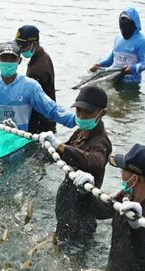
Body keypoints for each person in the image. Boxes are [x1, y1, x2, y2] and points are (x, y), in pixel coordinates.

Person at [38, 85, 112, 247]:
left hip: (81, 219)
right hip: (66, 211)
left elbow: (94, 161)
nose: (82, 116)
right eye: (79, 111)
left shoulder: (101, 142)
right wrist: (45, 147)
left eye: (88, 112)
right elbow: (61, 154)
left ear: (102, 114)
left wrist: (60, 146)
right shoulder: (80, 133)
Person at [89, 8, 145, 86]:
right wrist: (99, 65)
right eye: (122, 20)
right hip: (112, 77)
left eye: (126, 21)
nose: (123, 23)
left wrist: (132, 68)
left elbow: (144, 64)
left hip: (130, 82)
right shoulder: (118, 38)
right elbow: (111, 59)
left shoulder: (143, 42)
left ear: (134, 23)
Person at [15, 25, 57, 134]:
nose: (20, 51)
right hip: (47, 118)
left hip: (40, 123)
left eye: (22, 47)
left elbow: (30, 100)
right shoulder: (42, 56)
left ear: (34, 44)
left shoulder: (38, 69)